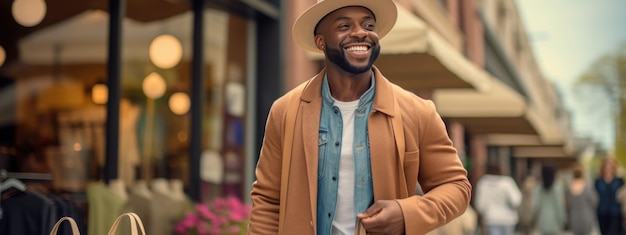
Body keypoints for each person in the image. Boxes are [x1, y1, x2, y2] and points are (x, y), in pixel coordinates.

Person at [248, 0, 472, 234]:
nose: (360, 33)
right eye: (344, 26)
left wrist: (406, 214)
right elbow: (268, 200)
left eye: (368, 25)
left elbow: (456, 187)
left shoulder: (417, 111)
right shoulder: (285, 111)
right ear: (320, 41)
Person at [474, 163, 522, 235]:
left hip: (491, 219)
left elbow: (480, 205)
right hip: (508, 219)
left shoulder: (483, 183)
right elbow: (516, 201)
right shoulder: (507, 182)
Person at [532, 164, 566, 235]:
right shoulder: (557, 188)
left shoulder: (538, 188)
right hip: (555, 223)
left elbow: (536, 206)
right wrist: (562, 220)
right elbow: (559, 206)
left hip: (542, 222)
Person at [594, 157, 624, 235]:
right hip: (602, 212)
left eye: (611, 166)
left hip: (615, 212)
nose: (608, 168)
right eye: (607, 166)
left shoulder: (619, 180)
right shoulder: (598, 181)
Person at [566, 163, 598, 235]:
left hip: (574, 217)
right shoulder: (587, 186)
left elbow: (567, 204)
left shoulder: (569, 188)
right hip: (586, 216)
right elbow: (595, 200)